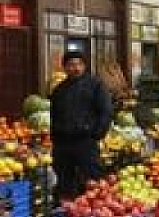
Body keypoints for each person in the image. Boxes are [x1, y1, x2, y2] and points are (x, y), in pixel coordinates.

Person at [49, 49, 114, 202]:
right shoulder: (59, 90)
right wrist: (55, 138)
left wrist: (97, 133)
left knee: (92, 178)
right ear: (64, 68)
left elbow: (106, 111)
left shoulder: (95, 85)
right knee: (64, 180)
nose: (76, 68)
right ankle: (65, 211)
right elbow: (54, 116)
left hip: (86, 141)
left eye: (79, 64)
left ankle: (95, 207)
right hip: (63, 143)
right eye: (71, 65)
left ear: (84, 66)